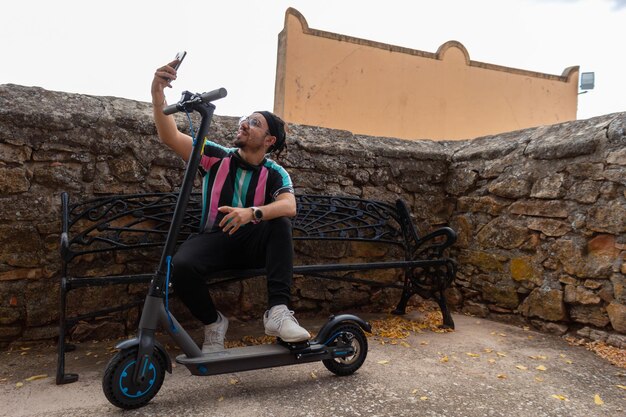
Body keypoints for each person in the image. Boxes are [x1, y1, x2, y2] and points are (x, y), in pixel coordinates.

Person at [151, 58, 310, 353]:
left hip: (253, 246)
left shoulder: (275, 173)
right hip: (215, 241)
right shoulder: (216, 155)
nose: (244, 124)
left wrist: (252, 212)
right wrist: (158, 91)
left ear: (269, 140)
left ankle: (278, 312)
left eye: (254, 123)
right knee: (182, 265)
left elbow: (289, 205)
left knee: (280, 223)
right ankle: (213, 323)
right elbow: (169, 136)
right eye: (245, 119)